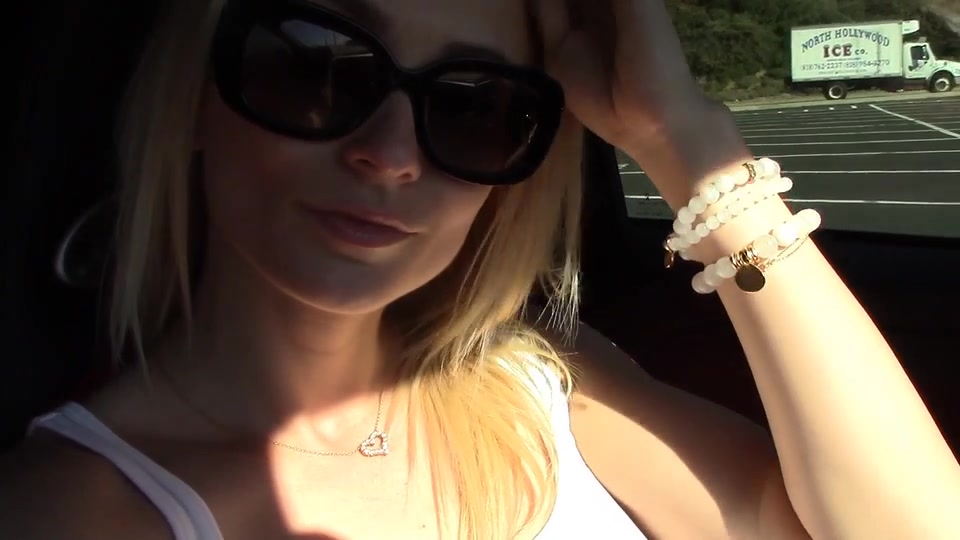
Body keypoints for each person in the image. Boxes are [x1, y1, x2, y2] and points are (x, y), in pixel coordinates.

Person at [3, 0, 960, 538]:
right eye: (317, 67)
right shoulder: (77, 505)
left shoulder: (536, 379)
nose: (392, 154)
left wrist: (682, 137)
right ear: (193, 98)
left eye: (474, 106)